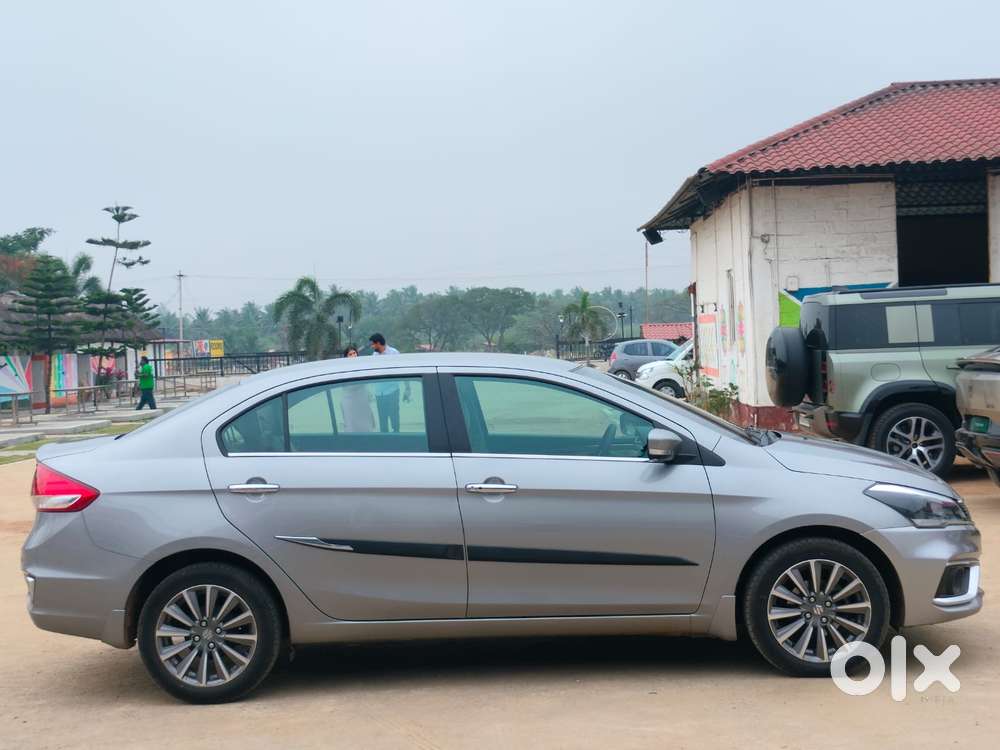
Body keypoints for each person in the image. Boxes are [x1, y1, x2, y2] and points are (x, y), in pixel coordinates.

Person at [368, 333, 407, 432]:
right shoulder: (374, 356)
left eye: (373, 344)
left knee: (394, 420)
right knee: (383, 421)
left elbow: (403, 371)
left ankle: (396, 437)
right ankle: (384, 439)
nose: (372, 346)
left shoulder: (394, 353)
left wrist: (407, 388)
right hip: (379, 394)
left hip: (392, 392)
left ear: (378, 343)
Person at [340, 345, 375, 432]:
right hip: (350, 402)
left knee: (366, 426)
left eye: (354, 353)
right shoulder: (343, 370)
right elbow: (348, 386)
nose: (353, 355)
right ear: (346, 357)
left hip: (362, 401)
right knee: (351, 427)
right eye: (350, 354)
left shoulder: (362, 367)